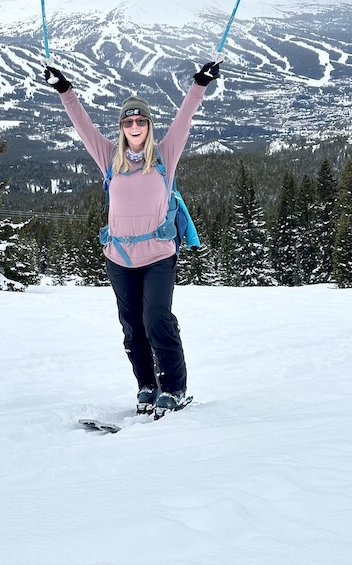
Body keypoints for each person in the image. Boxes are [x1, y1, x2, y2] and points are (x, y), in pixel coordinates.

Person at [44, 60, 220, 416]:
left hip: (158, 257)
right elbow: (83, 126)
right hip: (119, 259)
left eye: (141, 121)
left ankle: (174, 386)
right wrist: (65, 90)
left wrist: (199, 84)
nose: (135, 126)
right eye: (128, 121)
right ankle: (146, 385)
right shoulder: (109, 157)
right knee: (132, 327)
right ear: (122, 127)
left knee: (157, 320)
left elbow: (184, 120)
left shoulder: (164, 157)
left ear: (149, 126)